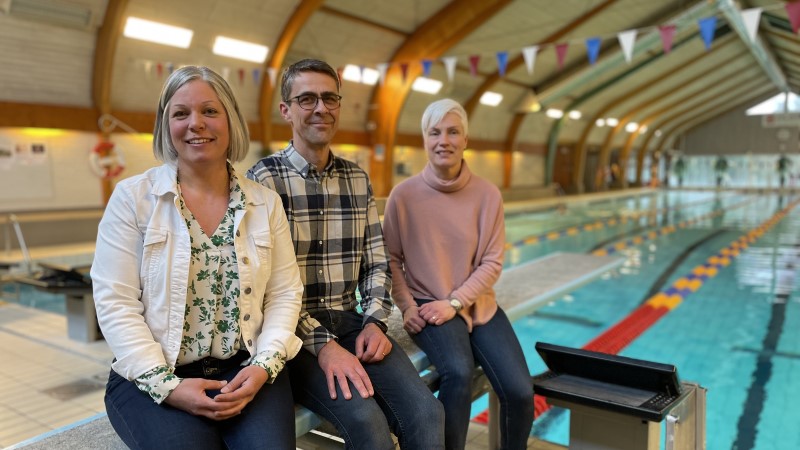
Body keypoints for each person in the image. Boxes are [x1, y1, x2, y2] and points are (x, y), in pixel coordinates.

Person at [91, 66, 304, 450]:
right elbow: (115, 302)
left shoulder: (265, 203)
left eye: (209, 111)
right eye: (181, 113)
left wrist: (264, 364)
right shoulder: (133, 199)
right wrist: (166, 384)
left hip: (245, 365)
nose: (196, 124)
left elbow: (285, 293)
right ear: (166, 124)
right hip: (153, 372)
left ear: (230, 120)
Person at [246, 58, 444, 450]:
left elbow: (376, 261)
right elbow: (263, 288)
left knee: (427, 413)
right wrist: (324, 346)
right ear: (286, 110)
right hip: (292, 336)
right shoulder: (263, 181)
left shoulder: (357, 179)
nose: (321, 108)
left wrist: (375, 322)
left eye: (329, 98)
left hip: (352, 323)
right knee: (368, 425)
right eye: (307, 99)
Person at [383, 98, 534, 450]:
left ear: (465, 140)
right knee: (458, 373)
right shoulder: (403, 196)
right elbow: (390, 259)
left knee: (519, 390)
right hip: (427, 303)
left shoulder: (487, 195)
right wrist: (407, 306)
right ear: (425, 139)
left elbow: (492, 262)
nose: (444, 141)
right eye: (435, 132)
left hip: (477, 304)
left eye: (453, 132)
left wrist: (455, 302)